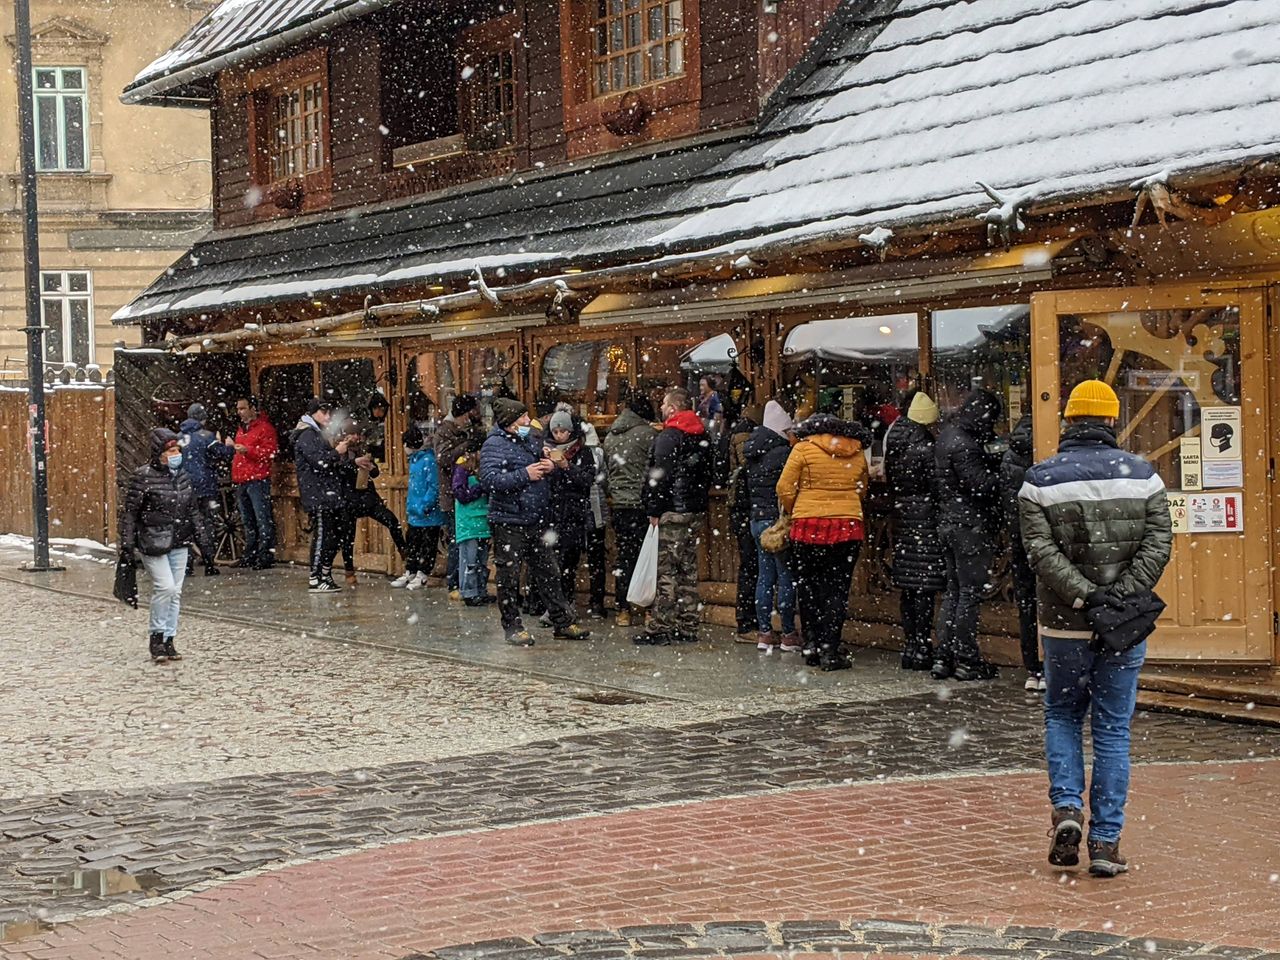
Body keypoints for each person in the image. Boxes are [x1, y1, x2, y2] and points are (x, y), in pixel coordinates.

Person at [1018, 379, 1172, 878]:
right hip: (1122, 627)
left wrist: (1085, 595)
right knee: (1112, 730)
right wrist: (1121, 596)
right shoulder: (1143, 476)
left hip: (1064, 624)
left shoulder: (1039, 481)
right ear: (1110, 420)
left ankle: (1067, 810)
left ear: (1068, 422)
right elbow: (1158, 543)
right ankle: (1106, 842)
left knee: (1062, 714)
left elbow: (1040, 554)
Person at [479, 396, 591, 646]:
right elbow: (489, 480)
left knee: (549, 571)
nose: (528, 421)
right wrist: (524, 474)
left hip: (536, 518)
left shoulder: (531, 440)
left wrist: (549, 466)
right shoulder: (493, 445)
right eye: (523, 418)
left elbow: (540, 470)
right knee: (509, 575)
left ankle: (562, 621)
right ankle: (512, 626)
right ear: (509, 422)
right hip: (509, 520)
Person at [776, 413, 870, 671]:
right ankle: (830, 647)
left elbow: (784, 487)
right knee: (837, 590)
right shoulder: (856, 450)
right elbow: (862, 487)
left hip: (808, 526)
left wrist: (798, 507)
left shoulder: (802, 450)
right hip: (847, 526)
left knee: (808, 587)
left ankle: (812, 644)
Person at [120, 428, 214, 663]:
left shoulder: (182, 477)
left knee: (176, 592)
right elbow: (131, 513)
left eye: (177, 450)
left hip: (179, 540)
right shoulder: (142, 477)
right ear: (159, 453)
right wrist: (128, 544)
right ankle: (156, 636)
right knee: (166, 588)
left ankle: (169, 639)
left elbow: (192, 511)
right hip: (153, 540)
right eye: (171, 450)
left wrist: (203, 541)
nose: (175, 454)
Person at [931, 389, 1004, 681]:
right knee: (969, 594)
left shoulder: (948, 436)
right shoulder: (966, 444)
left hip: (949, 522)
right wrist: (1003, 475)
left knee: (953, 592)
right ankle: (966, 658)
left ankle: (944, 656)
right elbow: (980, 485)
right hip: (969, 526)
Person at [635, 387, 712, 646]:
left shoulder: (669, 436)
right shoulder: (702, 433)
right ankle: (688, 623)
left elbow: (659, 476)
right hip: (694, 510)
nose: (662, 409)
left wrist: (654, 509)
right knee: (688, 569)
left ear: (673, 408)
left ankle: (660, 627)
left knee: (666, 570)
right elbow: (710, 472)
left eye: (665, 405)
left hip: (672, 510)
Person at [885, 391, 947, 671]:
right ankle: (922, 645)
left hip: (903, 520)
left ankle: (912, 645)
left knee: (910, 588)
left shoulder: (896, 442)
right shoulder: (926, 447)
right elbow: (938, 487)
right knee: (923, 586)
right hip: (924, 521)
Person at [744, 401, 799, 652]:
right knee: (785, 576)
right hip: (777, 523)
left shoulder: (753, 451)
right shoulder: (784, 454)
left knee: (764, 577)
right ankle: (788, 633)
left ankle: (764, 633)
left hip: (757, 520)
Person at [604, 393, 657, 627]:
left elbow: (605, 472)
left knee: (624, 557)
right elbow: (654, 469)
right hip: (640, 504)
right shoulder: (648, 435)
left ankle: (622, 609)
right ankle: (647, 609)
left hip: (619, 504)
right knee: (647, 558)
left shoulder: (610, 436)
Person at [291, 399, 353, 593]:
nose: (327, 417)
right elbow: (320, 462)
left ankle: (325, 574)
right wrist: (337, 452)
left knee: (333, 536)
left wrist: (344, 457)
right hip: (317, 494)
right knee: (322, 536)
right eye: (323, 412)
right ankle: (315, 577)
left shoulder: (316, 434)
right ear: (313, 413)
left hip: (327, 493)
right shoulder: (307, 434)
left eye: (329, 413)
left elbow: (328, 462)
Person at [1002, 414, 1043, 691]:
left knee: (1027, 604)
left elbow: (1006, 501)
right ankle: (1049, 665)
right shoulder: (1047, 456)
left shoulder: (1008, 457)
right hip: (1046, 541)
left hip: (1019, 538)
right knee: (1051, 603)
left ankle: (1033, 667)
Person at [545, 409, 596, 618]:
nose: (559, 435)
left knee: (568, 563)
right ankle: (555, 606)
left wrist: (566, 468)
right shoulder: (545, 450)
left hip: (573, 514)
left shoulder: (583, 453)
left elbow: (586, 481)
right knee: (552, 563)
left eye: (562, 431)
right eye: (555, 431)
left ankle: (566, 604)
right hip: (553, 514)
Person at [435, 395, 484, 600]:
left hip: (471, 496)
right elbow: (443, 459)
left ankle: (472, 586)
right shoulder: (445, 431)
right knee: (457, 541)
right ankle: (455, 583)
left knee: (472, 543)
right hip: (453, 494)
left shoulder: (469, 428)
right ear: (463, 414)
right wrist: (466, 445)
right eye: (469, 413)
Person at [178, 403, 230, 576]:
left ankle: (187, 565)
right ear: (203, 419)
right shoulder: (206, 436)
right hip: (204, 486)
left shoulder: (178, 438)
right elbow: (222, 453)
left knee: (186, 526)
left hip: (183, 487)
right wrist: (228, 446)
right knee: (205, 524)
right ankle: (209, 563)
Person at [226, 396, 277, 569]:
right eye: (238, 409)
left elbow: (270, 453)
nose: (239, 412)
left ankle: (264, 555)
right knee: (248, 520)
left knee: (262, 519)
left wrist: (248, 450)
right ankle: (251, 553)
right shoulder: (242, 429)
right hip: (242, 479)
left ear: (252, 408)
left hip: (257, 479)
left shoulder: (265, 429)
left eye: (242, 408)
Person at [728, 403, 763, 640]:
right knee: (752, 566)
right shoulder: (746, 439)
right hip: (749, 510)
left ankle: (748, 620)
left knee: (750, 566)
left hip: (743, 510)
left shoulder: (738, 435)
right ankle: (748, 621)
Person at [393, 425, 444, 590]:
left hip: (427, 514)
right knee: (413, 543)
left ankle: (423, 574)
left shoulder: (428, 460)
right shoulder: (414, 461)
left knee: (427, 545)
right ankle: (411, 570)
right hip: (415, 513)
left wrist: (425, 506)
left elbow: (434, 487)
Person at [452, 440, 493, 606]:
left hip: (483, 520)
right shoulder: (462, 468)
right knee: (469, 558)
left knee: (482, 559)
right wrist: (480, 488)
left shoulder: (486, 468)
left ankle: (481, 590)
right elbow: (460, 494)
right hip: (468, 522)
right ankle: (469, 592)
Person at [580, 415, 610, 619]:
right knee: (596, 558)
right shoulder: (598, 453)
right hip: (596, 509)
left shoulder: (571, 453)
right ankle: (597, 601)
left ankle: (570, 600)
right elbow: (604, 479)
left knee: (571, 558)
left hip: (578, 511)